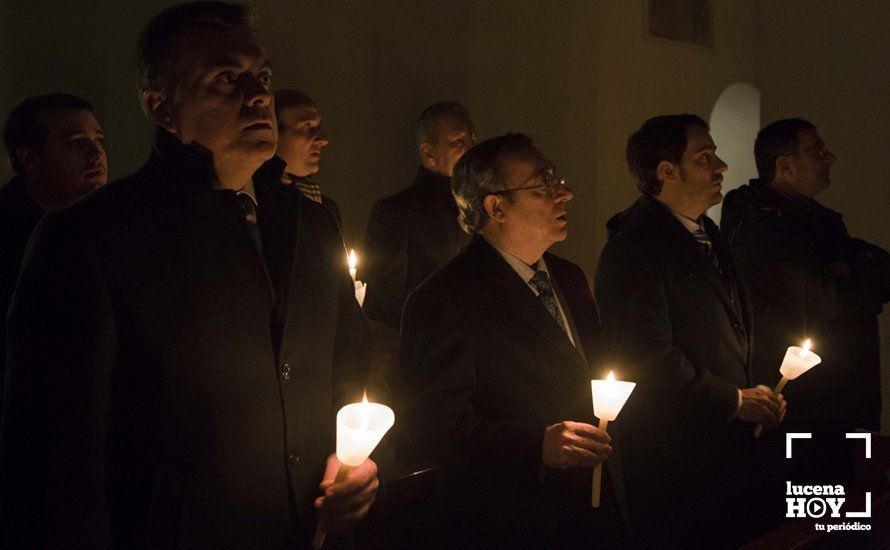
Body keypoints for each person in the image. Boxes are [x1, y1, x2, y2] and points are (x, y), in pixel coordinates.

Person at [0, 2, 378, 547]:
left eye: (263, 76)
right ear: (161, 107)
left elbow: (353, 368)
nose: (258, 96)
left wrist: (359, 466)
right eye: (226, 78)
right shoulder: (90, 238)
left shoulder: (312, 224)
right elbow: (53, 461)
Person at [396, 133, 630, 548]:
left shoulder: (570, 278)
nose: (566, 194)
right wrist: (535, 445)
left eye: (557, 180)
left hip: (588, 510)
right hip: (509, 521)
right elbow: (428, 428)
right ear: (496, 206)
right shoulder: (445, 297)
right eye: (544, 185)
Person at [595, 114, 786, 547]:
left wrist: (757, 394)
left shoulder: (709, 234)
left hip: (726, 453)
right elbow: (645, 356)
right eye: (705, 158)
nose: (721, 167)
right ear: (666, 172)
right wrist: (735, 400)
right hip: (676, 460)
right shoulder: (634, 249)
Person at [722, 118, 889, 486]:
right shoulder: (759, 227)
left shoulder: (817, 221)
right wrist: (852, 279)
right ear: (785, 166)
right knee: (807, 521)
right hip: (798, 406)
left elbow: (877, 265)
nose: (830, 157)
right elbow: (825, 299)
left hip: (832, 399)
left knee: (840, 514)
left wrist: (850, 272)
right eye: (816, 150)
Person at [0, 92, 107, 417]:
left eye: (98, 140)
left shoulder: (102, 223)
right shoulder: (10, 239)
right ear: (30, 159)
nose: (96, 154)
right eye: (75, 142)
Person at [361, 101, 476, 330]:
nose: (472, 148)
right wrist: (448, 329)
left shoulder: (484, 209)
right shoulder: (396, 213)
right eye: (458, 142)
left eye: (473, 138)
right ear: (429, 153)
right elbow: (383, 299)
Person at [274, 89, 341, 223]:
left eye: (319, 126)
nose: (323, 140)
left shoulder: (327, 210)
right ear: (274, 133)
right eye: (307, 127)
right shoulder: (255, 204)